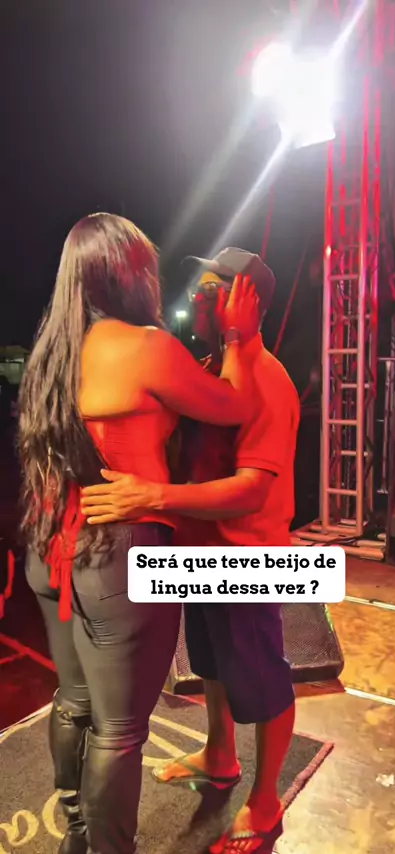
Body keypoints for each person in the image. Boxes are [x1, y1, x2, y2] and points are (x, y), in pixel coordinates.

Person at [17, 217, 259, 854]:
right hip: (118, 556)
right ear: (127, 273)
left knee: (73, 702)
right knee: (119, 731)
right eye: (147, 265)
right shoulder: (146, 346)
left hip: (49, 544)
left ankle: (77, 835)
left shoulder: (50, 353)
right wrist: (236, 335)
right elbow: (235, 405)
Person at [81, 248, 300, 854]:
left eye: (212, 291)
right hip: (199, 548)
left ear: (244, 303)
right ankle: (220, 755)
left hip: (248, 557)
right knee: (210, 664)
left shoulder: (266, 380)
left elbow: (252, 488)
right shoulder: (211, 370)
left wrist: (153, 494)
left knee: (265, 682)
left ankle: (266, 801)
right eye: (201, 289)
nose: (197, 298)